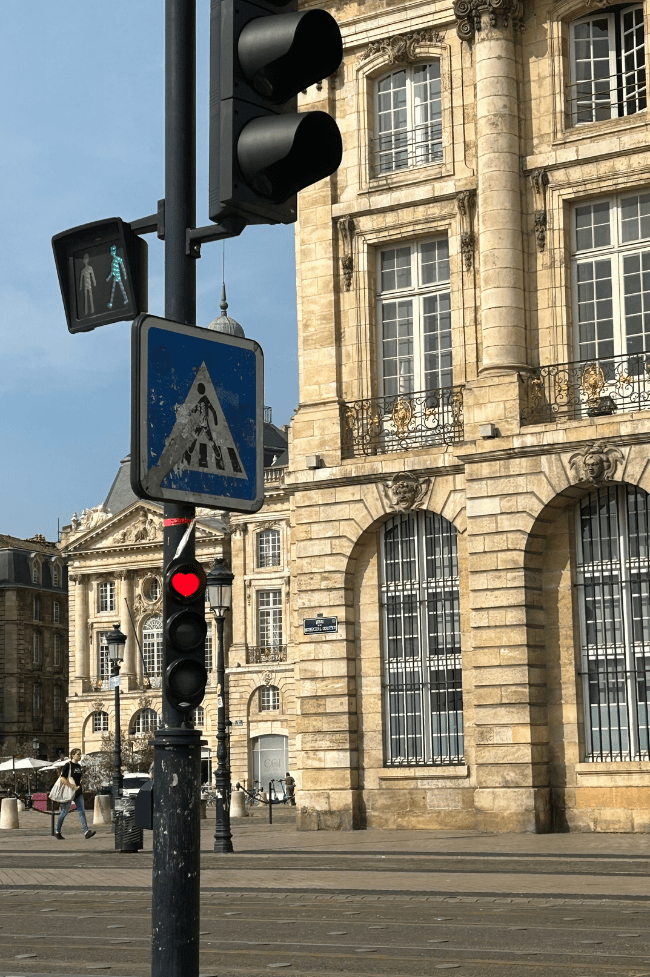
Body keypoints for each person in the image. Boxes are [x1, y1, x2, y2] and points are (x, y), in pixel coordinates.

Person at [54, 749, 96, 840]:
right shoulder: (68, 765)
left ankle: (86, 832)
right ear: (72, 755)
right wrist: (72, 786)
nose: (80, 756)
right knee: (64, 812)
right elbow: (63, 779)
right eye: (78, 754)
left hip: (78, 792)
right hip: (69, 792)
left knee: (81, 811)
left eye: (80, 754)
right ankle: (57, 831)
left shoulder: (79, 766)